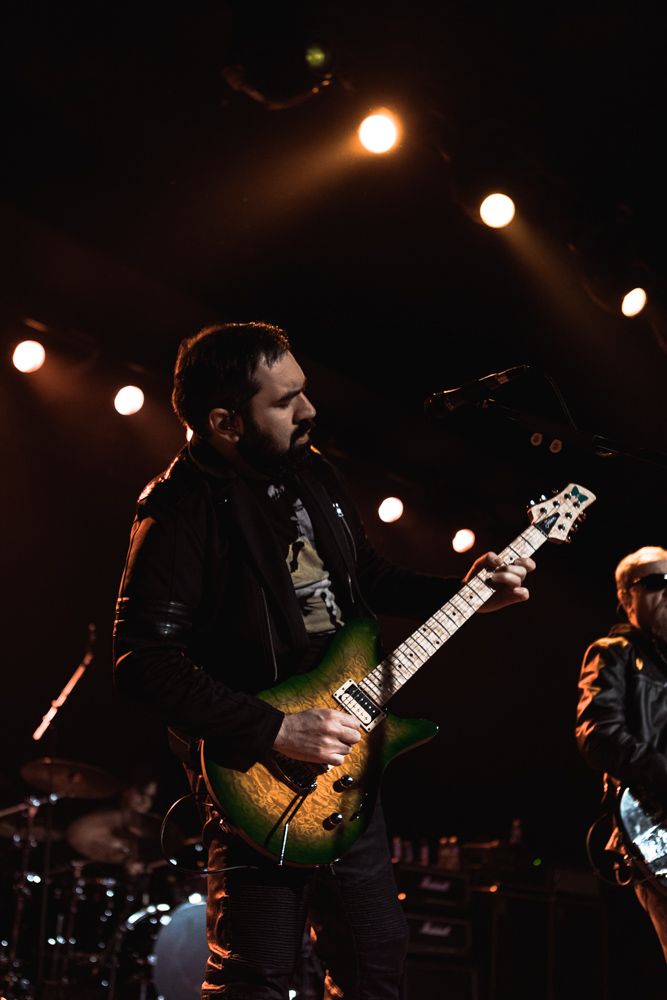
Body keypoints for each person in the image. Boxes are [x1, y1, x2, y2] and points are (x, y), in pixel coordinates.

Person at [113, 322, 535, 1000]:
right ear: (223, 421)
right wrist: (273, 728)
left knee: (375, 959)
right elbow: (142, 659)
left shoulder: (310, 472)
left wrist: (464, 592)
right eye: (284, 402)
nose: (308, 411)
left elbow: (363, 575)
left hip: (345, 758)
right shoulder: (179, 509)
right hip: (259, 774)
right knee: (256, 970)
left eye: (303, 392)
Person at [576, 545, 667, 961]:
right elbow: (597, 733)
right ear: (627, 597)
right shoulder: (614, 652)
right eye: (656, 582)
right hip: (654, 822)